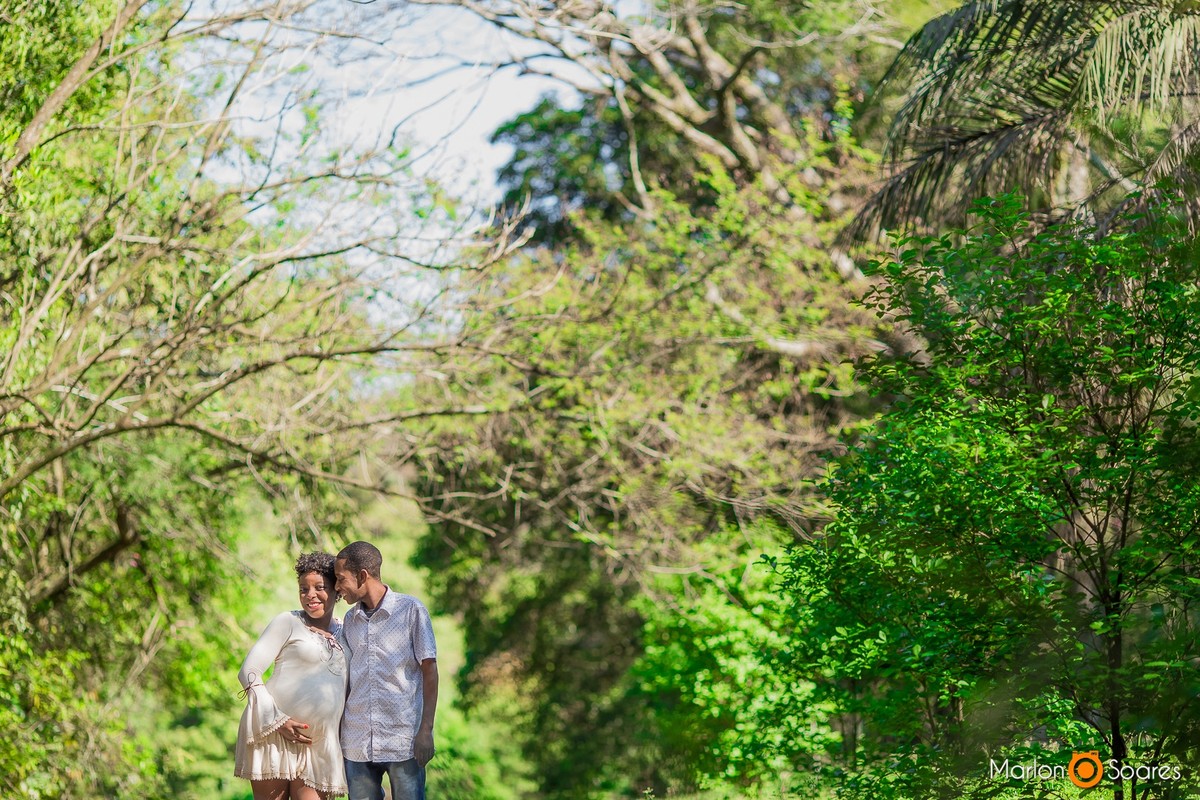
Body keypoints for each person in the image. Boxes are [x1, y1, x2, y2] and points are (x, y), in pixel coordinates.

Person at [235, 552, 349, 800]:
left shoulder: (348, 632)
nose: (310, 595)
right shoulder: (287, 622)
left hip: (319, 745)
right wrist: (277, 720)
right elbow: (248, 671)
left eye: (320, 587)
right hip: (274, 736)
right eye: (303, 588)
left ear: (337, 590)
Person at [334, 541, 438, 800]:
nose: (337, 587)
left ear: (362, 576)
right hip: (356, 742)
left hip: (403, 740)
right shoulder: (349, 620)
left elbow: (430, 672)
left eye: (340, 579)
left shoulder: (412, 611)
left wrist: (426, 730)